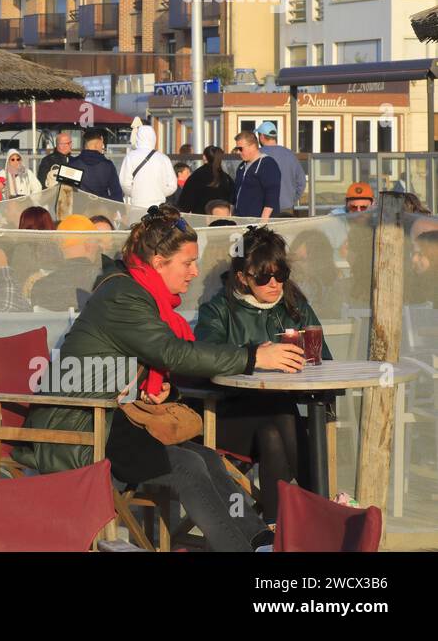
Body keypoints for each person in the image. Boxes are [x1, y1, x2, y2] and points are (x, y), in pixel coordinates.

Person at [18, 206, 303, 552]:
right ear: (157, 262)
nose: (195, 272)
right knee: (187, 467)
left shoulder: (139, 293)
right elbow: (172, 352)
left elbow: (140, 358)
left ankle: (261, 540)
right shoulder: (122, 296)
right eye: (187, 263)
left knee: (208, 459)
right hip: (79, 426)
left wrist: (159, 388)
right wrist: (252, 355)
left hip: (113, 415)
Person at [194, 226, 323, 522]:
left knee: (273, 432)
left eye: (281, 275)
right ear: (242, 277)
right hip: (226, 414)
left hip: (277, 418)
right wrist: (255, 356)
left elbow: (321, 358)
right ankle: (319, 505)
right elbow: (203, 356)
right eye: (264, 276)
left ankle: (273, 531)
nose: (274, 284)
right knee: (281, 411)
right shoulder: (218, 310)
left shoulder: (294, 306)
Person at [30, 214, 103, 313]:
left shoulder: (39, 286)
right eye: (97, 242)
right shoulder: (102, 280)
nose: (98, 247)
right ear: (88, 245)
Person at [119, 120, 177, 209]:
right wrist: (159, 192)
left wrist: (136, 193)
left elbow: (124, 183)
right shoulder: (163, 158)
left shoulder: (130, 157)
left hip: (137, 206)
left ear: (138, 137)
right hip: (158, 206)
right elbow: (172, 185)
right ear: (154, 138)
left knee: (138, 223)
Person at [256, 122, 305, 217]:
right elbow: (301, 182)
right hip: (286, 207)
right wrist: (291, 199)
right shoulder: (290, 154)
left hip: (263, 209)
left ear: (261, 137)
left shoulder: (257, 155)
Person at [232, 131, 280, 220]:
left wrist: (263, 222)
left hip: (257, 221)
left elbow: (272, 196)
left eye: (241, 148)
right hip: (240, 219)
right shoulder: (242, 166)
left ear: (252, 146)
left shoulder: (267, 164)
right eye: (237, 149)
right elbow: (236, 194)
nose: (238, 152)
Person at [67, 129, 122, 202]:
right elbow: (116, 194)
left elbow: (66, 193)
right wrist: (122, 211)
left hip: (79, 210)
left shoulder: (72, 163)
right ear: (100, 142)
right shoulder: (108, 166)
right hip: (102, 210)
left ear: (85, 143)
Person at [177, 147, 236, 215]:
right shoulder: (226, 178)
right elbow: (233, 199)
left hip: (201, 218)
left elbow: (185, 203)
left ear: (204, 157)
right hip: (222, 218)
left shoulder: (197, 176)